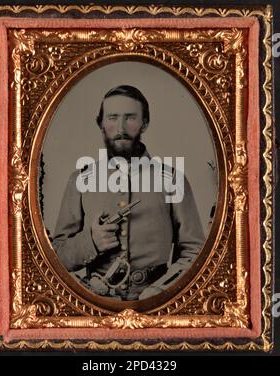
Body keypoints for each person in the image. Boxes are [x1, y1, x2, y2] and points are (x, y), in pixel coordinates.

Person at [52, 85, 205, 301]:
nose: (121, 127)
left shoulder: (172, 179)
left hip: (156, 304)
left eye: (130, 118)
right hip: (96, 305)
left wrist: (161, 292)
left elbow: (194, 252)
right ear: (101, 123)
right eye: (112, 118)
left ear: (145, 122)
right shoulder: (80, 180)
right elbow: (55, 257)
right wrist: (92, 242)